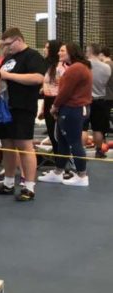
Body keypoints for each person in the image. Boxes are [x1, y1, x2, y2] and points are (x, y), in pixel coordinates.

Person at [0, 27, 45, 202]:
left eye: (8, 44)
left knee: (24, 146)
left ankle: (29, 187)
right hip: (4, 108)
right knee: (7, 146)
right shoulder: (8, 58)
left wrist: (8, 76)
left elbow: (38, 78)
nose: (6, 48)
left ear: (18, 40)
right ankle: (8, 183)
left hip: (22, 107)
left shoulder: (32, 56)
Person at [39, 43, 93, 187]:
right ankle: (58, 172)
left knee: (74, 142)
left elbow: (65, 91)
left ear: (71, 52)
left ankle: (82, 175)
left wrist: (54, 107)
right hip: (70, 108)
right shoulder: (79, 67)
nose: (59, 53)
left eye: (62, 51)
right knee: (62, 140)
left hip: (73, 109)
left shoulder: (76, 68)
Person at [38, 40, 64, 161]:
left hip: (57, 102)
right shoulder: (48, 65)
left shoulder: (61, 66)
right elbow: (48, 87)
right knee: (52, 134)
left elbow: (62, 87)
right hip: (49, 101)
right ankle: (59, 165)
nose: (44, 49)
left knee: (57, 135)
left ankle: (63, 166)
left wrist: (56, 106)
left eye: (47, 47)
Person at [86, 43, 111, 159]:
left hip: (85, 100)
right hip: (100, 100)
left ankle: (79, 153)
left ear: (90, 51)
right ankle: (99, 150)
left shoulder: (84, 65)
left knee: (83, 128)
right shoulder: (107, 67)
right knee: (98, 128)